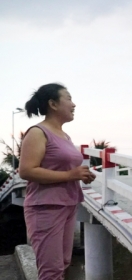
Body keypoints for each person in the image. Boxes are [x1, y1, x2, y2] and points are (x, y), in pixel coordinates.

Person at [19, 83, 95, 280]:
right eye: (68, 98)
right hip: (45, 207)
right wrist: (71, 175)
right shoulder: (38, 132)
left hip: (67, 204)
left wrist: (81, 174)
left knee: (62, 264)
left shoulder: (64, 135)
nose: (73, 104)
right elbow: (27, 171)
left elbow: (63, 168)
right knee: (51, 271)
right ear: (53, 104)